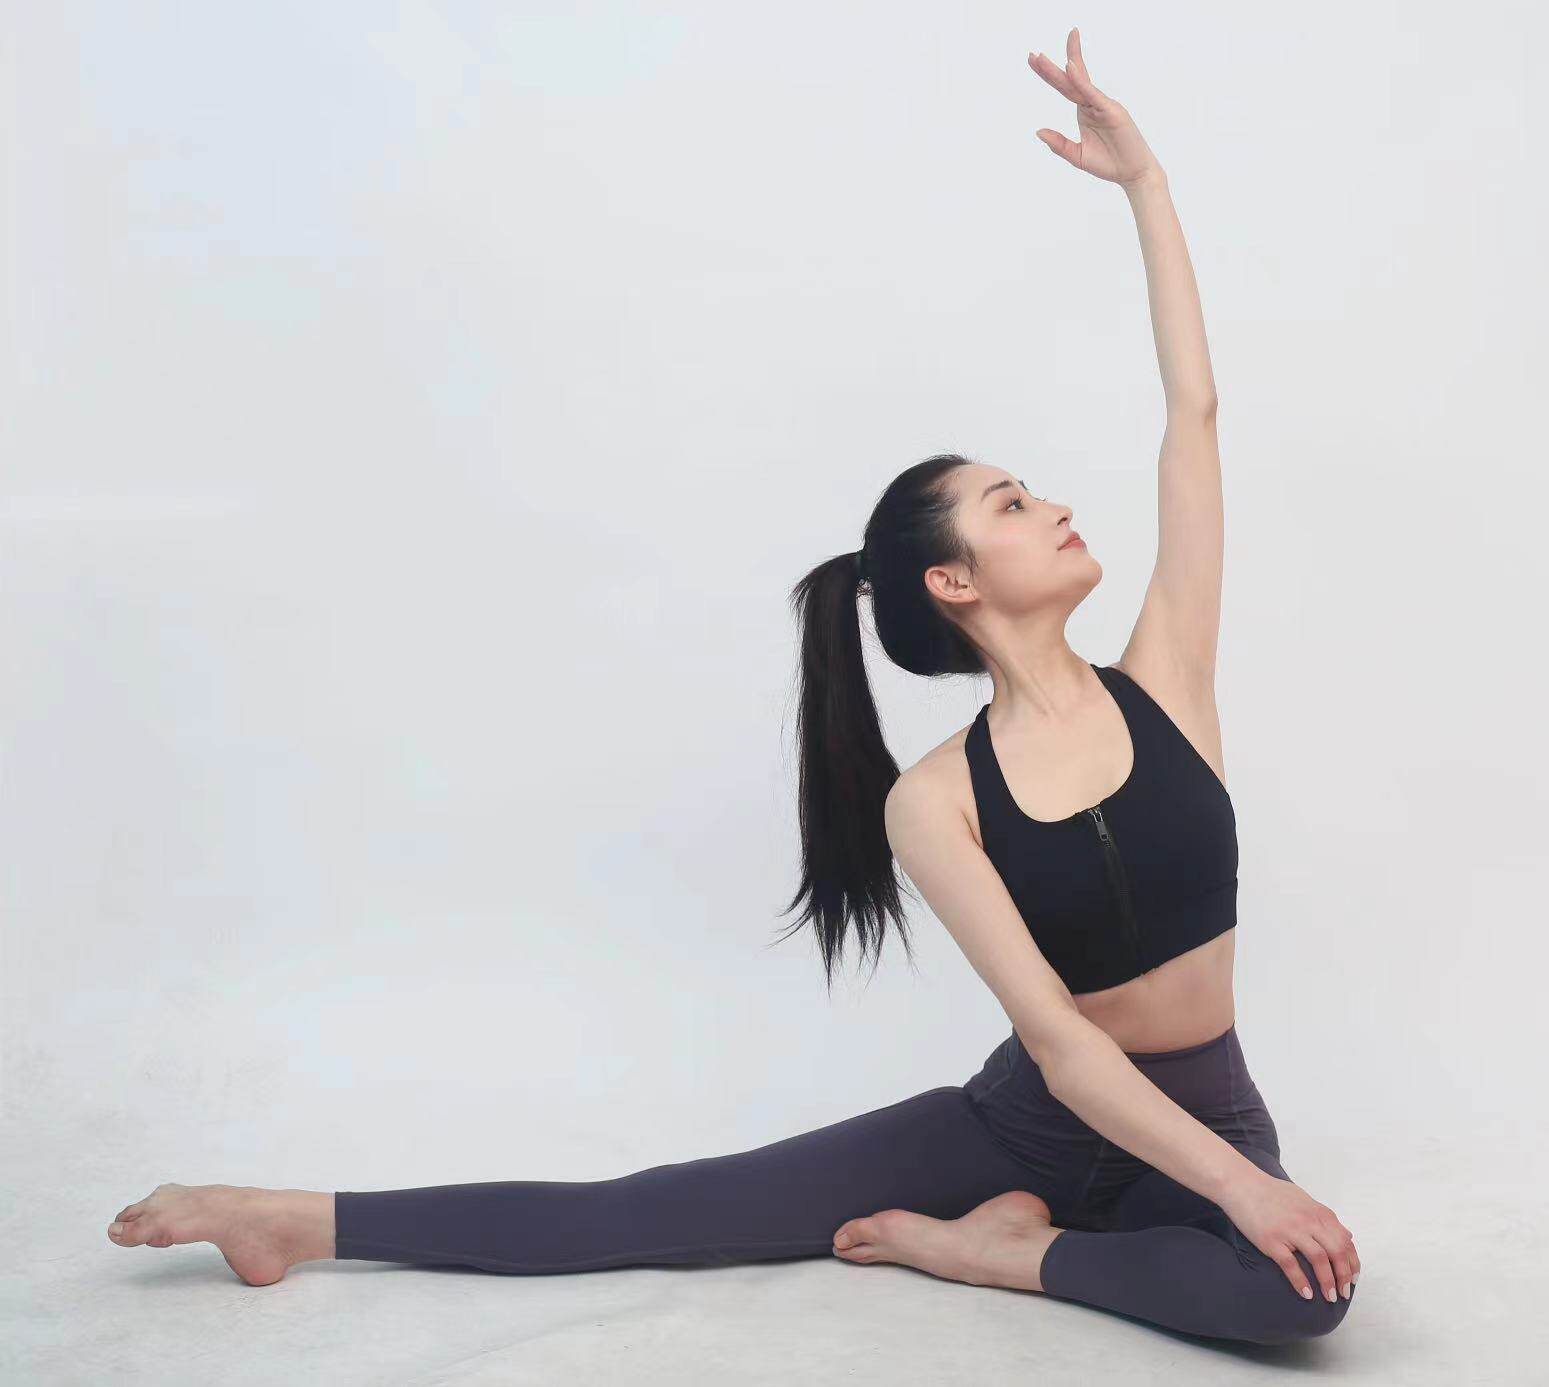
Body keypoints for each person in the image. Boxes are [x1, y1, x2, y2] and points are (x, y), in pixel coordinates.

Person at [104, 30, 1359, 1346]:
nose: (1051, 507)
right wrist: (1241, 1194)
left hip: (1205, 1113)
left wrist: (1144, 185)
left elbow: (1193, 415)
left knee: (1300, 1304)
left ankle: (1005, 1256)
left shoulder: (1167, 675)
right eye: (1009, 503)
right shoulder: (936, 801)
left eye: (1034, 490)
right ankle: (290, 1217)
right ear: (951, 581)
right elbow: (1060, 1046)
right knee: (660, 1209)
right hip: (1032, 1121)